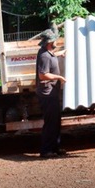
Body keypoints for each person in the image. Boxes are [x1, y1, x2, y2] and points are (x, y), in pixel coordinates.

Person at [35, 29, 67, 158]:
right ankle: (46, 150)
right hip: (47, 93)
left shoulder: (48, 53)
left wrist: (61, 53)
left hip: (51, 92)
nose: (56, 42)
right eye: (54, 40)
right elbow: (42, 75)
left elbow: (52, 55)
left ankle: (55, 147)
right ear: (49, 42)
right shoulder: (44, 56)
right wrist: (59, 78)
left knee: (55, 121)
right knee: (50, 122)